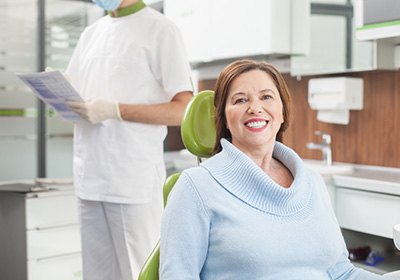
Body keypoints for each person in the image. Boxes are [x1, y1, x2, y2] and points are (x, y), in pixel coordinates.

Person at [159, 59, 395, 279]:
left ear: (282, 112)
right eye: (240, 100)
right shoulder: (195, 187)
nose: (255, 108)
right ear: (223, 117)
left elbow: (341, 272)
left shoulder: (311, 182)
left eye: (267, 97)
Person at [64, 0, 193, 279]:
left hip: (131, 181)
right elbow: (75, 93)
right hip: (89, 177)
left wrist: (116, 110)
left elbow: (183, 109)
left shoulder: (161, 29)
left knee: (139, 272)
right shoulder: (91, 33)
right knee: (96, 274)